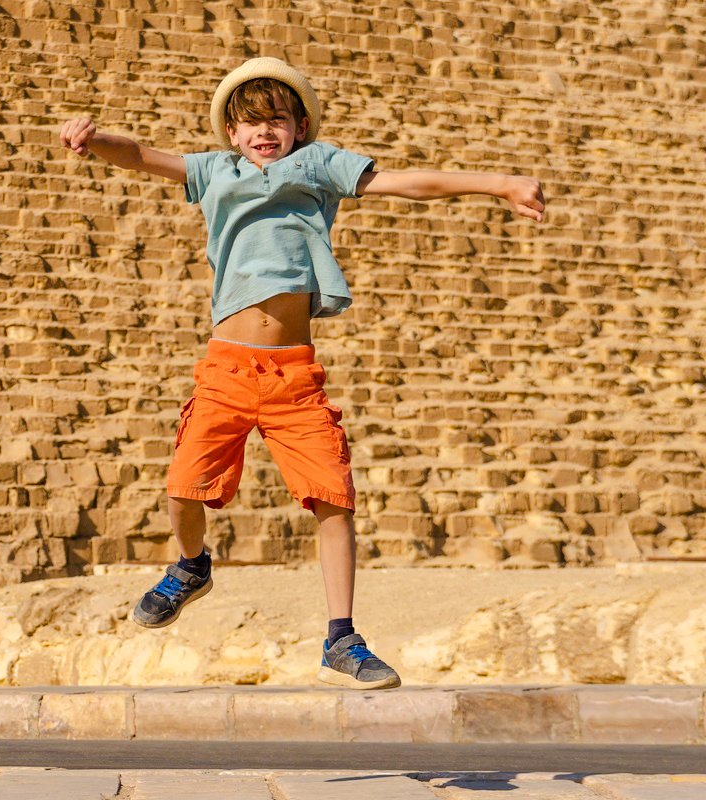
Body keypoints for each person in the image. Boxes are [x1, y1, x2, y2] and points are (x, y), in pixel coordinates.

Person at [58, 57, 545, 689]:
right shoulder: (214, 170)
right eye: (250, 122)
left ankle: (342, 638)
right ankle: (190, 566)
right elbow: (145, 156)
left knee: (334, 501)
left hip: (294, 374)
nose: (264, 132)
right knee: (184, 487)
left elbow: (406, 183)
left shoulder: (318, 165)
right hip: (227, 366)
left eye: (278, 120)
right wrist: (93, 140)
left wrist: (499, 183)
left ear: (300, 127)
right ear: (230, 132)